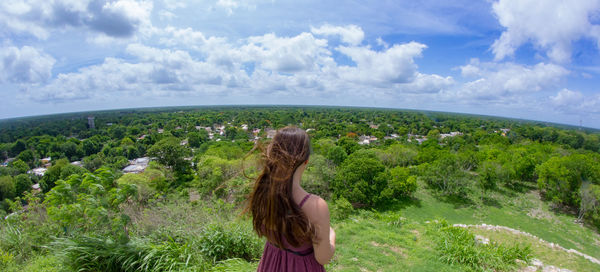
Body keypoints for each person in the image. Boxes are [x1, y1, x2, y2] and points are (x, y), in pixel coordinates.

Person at [247, 126, 336, 271]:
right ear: (306, 160)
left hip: (271, 264)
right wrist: (332, 236)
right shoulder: (316, 206)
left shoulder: (263, 194)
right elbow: (323, 257)